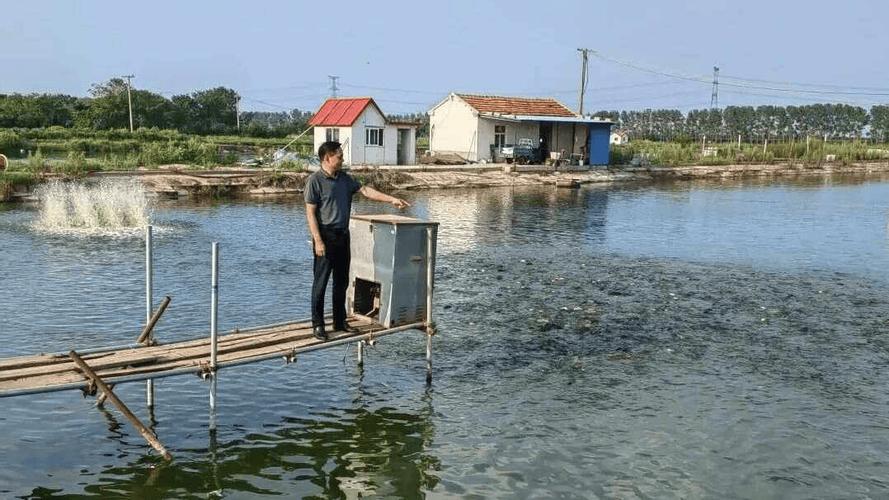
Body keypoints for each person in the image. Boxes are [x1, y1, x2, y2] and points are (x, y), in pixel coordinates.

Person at [305, 141, 411, 340]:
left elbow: (365, 191)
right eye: (339, 156)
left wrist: (391, 199)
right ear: (327, 158)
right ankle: (318, 325)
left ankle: (339, 321)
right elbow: (310, 214)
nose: (343, 159)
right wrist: (318, 241)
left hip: (343, 236)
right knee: (321, 283)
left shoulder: (345, 179)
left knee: (342, 282)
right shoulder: (315, 181)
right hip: (325, 237)